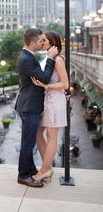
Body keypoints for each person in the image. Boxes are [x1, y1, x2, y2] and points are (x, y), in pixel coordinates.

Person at [16, 28, 58, 188]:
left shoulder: (28, 56)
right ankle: (23, 175)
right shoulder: (26, 59)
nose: (42, 42)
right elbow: (45, 78)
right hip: (29, 105)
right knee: (27, 143)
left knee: (30, 140)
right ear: (32, 43)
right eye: (40, 40)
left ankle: (31, 169)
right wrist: (50, 58)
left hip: (30, 104)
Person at [31, 31, 69, 183]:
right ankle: (47, 167)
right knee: (38, 132)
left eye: (44, 40)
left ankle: (44, 170)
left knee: (51, 136)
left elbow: (65, 84)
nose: (41, 42)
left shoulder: (58, 59)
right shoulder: (49, 57)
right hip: (47, 101)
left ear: (52, 42)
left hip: (55, 100)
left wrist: (46, 86)